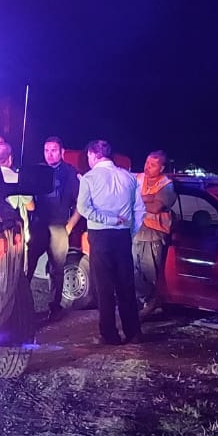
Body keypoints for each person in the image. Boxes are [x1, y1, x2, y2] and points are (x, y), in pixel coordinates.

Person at [77, 139, 144, 346]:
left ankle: (109, 334)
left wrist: (109, 220)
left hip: (100, 236)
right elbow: (140, 209)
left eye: (88, 156)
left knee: (104, 287)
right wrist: (129, 230)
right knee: (126, 285)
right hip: (123, 236)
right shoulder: (129, 177)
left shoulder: (89, 178)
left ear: (93, 154)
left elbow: (83, 209)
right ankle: (133, 332)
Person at [26, 136, 81, 322]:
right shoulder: (37, 171)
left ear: (61, 152)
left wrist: (70, 225)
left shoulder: (70, 173)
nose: (49, 154)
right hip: (37, 226)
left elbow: (81, 203)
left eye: (54, 150)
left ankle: (55, 307)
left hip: (59, 227)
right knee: (28, 265)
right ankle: (24, 307)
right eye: (46, 150)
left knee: (57, 269)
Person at [134, 150, 176, 317]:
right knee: (133, 271)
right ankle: (148, 301)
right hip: (137, 230)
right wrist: (148, 197)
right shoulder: (138, 178)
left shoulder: (166, 184)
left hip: (154, 234)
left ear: (162, 167)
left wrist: (139, 199)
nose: (147, 167)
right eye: (146, 163)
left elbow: (156, 207)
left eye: (152, 165)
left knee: (149, 273)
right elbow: (132, 197)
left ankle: (151, 304)